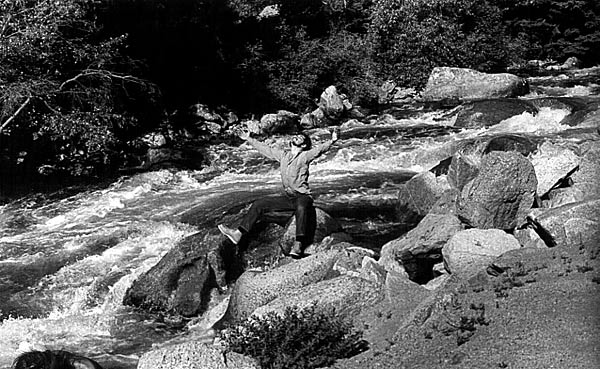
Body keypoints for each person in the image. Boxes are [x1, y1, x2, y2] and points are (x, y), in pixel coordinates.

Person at [218, 127, 339, 258]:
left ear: (304, 145)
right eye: (296, 135)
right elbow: (267, 150)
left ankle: (298, 244)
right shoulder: (284, 156)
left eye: (301, 138)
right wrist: (249, 139)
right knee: (259, 204)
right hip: (289, 197)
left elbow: (319, 150)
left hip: (303, 197)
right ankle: (238, 234)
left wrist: (332, 141)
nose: (297, 137)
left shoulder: (305, 156)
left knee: (301, 207)